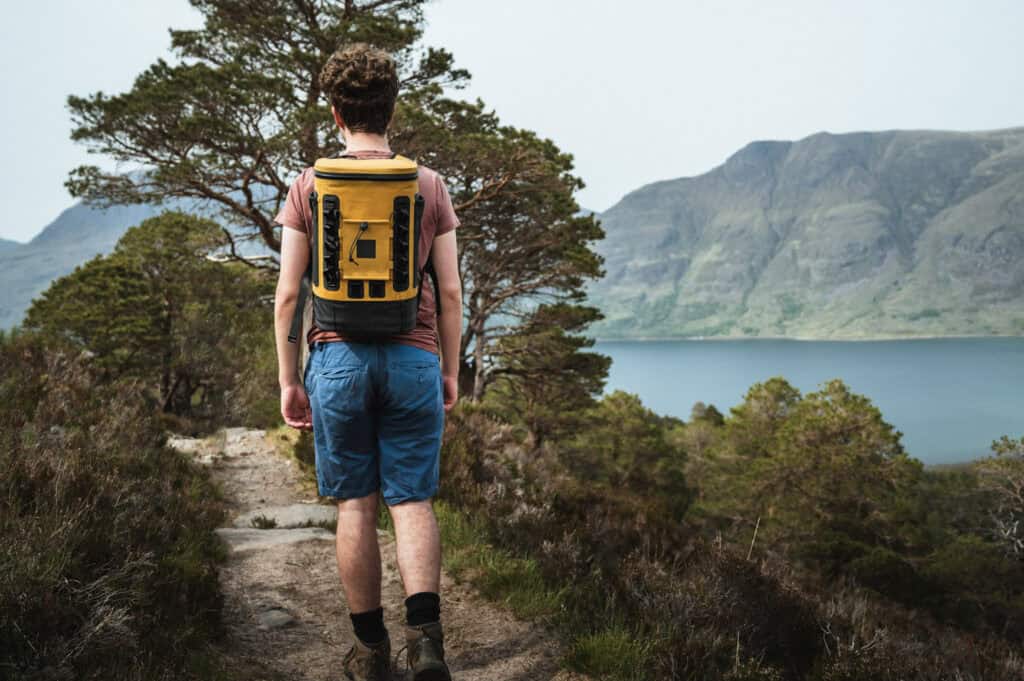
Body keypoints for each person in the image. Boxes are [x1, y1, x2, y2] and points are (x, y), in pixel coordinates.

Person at [272, 42, 461, 681]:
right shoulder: (428, 183)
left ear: (335, 112)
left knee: (355, 504)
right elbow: (453, 291)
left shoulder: (308, 184)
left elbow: (290, 295)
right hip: (413, 359)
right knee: (411, 502)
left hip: (337, 360)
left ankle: (371, 652)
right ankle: (428, 645)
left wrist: (288, 380)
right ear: (391, 108)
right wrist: (451, 371)